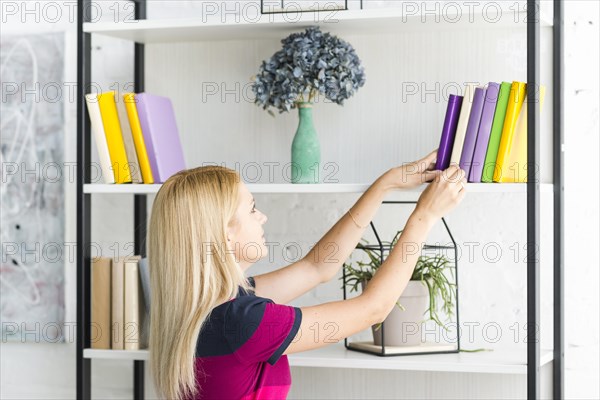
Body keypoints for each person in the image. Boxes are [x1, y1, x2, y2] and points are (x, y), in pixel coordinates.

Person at [148, 150, 467, 400]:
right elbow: (375, 308)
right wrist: (425, 216)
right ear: (224, 234)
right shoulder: (242, 321)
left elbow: (318, 266)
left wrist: (386, 184)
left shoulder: (215, 307)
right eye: (252, 208)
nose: (263, 217)